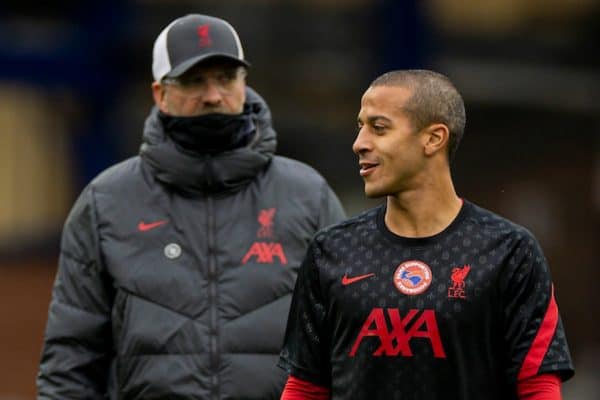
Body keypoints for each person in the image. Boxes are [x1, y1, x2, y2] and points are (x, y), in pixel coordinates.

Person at [37, 14, 345, 400]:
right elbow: (71, 359)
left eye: (226, 78)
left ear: (244, 83)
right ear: (159, 93)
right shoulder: (106, 202)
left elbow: (346, 348)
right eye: (194, 80)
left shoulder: (308, 196)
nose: (213, 95)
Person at [278, 70, 574, 400]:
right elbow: (306, 386)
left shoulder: (509, 251)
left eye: (379, 128)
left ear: (433, 138)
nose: (359, 143)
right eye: (360, 127)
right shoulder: (330, 250)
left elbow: (537, 386)